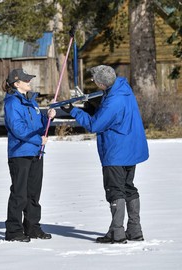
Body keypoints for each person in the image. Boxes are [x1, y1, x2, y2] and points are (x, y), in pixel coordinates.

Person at [61, 65, 149, 244]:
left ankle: (117, 233)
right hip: (129, 148)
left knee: (115, 190)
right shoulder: (123, 89)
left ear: (102, 83)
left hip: (117, 150)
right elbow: (110, 116)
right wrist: (91, 108)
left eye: (94, 81)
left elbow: (95, 125)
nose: (93, 83)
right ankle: (134, 230)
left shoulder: (114, 100)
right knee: (128, 187)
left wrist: (74, 111)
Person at [3, 68, 56, 242]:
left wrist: (48, 117)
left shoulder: (31, 102)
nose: (29, 82)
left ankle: (32, 227)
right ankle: (13, 231)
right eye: (26, 80)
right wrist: (37, 140)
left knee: (34, 193)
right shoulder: (12, 103)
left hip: (35, 152)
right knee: (19, 194)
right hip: (20, 153)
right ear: (16, 83)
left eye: (29, 79)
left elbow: (40, 124)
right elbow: (18, 129)